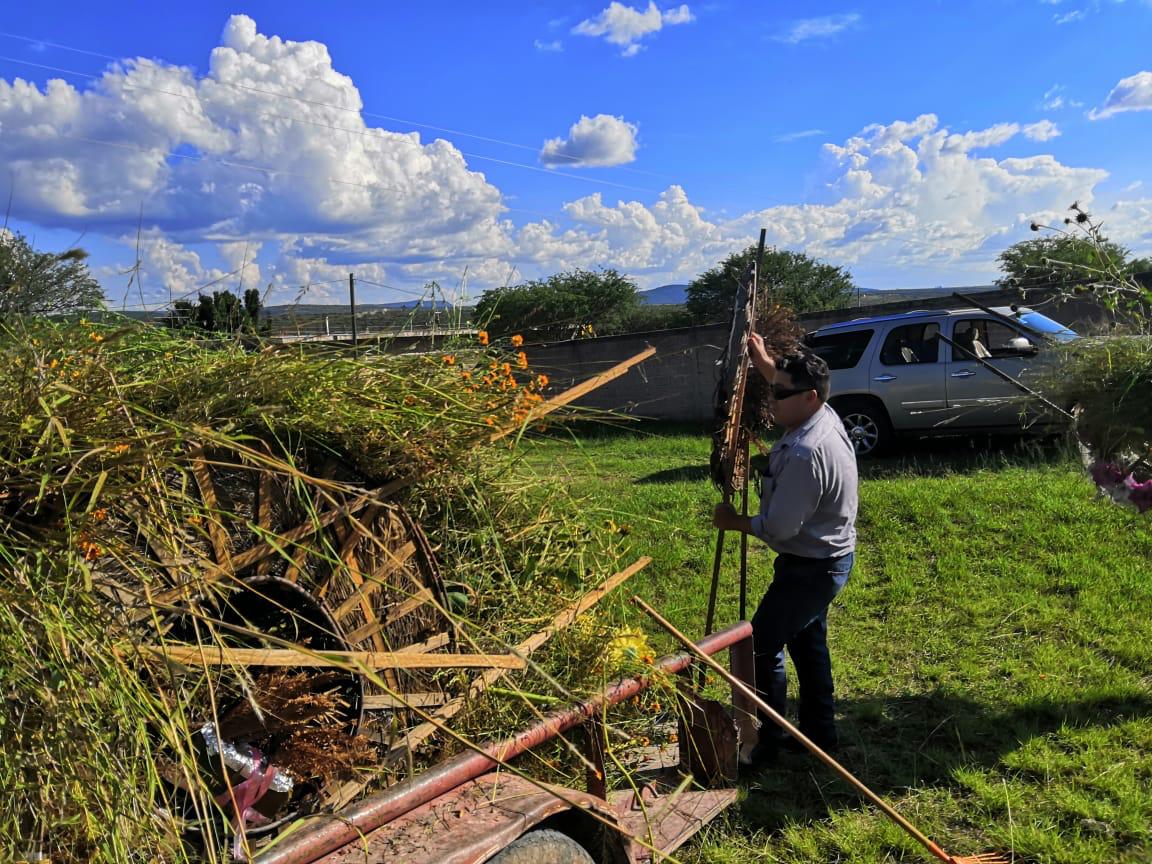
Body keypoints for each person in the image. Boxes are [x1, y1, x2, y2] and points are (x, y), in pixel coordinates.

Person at [712, 333, 859, 769]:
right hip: (823, 557)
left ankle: (765, 741)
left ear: (810, 397)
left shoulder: (806, 453)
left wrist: (734, 522)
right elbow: (786, 381)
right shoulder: (820, 414)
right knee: (807, 644)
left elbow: (779, 527)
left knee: (758, 646)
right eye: (772, 390)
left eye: (779, 394)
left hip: (812, 568)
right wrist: (764, 362)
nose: (771, 400)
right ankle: (820, 734)